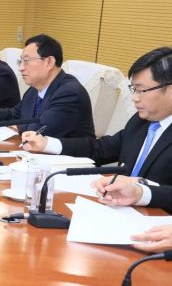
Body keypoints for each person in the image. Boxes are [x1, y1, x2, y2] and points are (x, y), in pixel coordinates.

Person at [23, 47, 172, 185]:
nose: (135, 98)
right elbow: (99, 149)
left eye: (141, 90)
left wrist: (142, 191)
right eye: (134, 89)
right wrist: (47, 144)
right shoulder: (140, 122)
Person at [0, 34, 95, 137]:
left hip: (66, 164)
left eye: (27, 61)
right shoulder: (34, 89)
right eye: (20, 62)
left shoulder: (69, 93)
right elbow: (14, 114)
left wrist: (17, 126)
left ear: (49, 62)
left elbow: (42, 128)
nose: (21, 68)